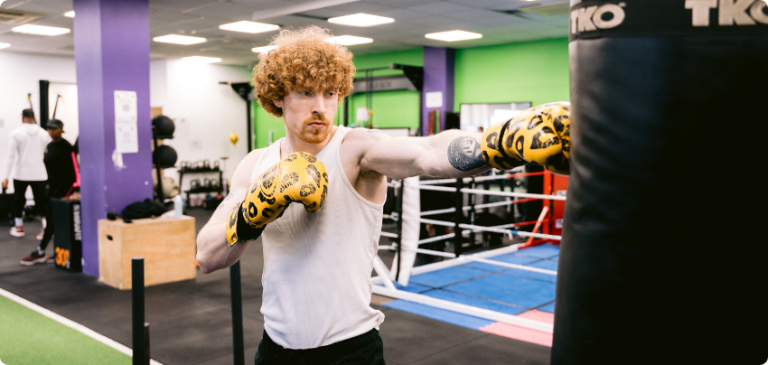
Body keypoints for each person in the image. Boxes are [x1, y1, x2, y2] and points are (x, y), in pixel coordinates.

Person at [196, 26, 568, 365]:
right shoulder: (255, 165)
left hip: (350, 351)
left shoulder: (356, 149)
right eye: (306, 92)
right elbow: (208, 255)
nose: (321, 107)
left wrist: (498, 143)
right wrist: (253, 211)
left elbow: (430, 153)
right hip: (275, 351)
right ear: (278, 98)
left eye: (330, 93)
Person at [20, 119, 76, 265]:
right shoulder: (50, 146)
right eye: (49, 129)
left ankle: (40, 251)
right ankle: (58, 251)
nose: (51, 132)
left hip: (64, 188)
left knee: (52, 221)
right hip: (51, 187)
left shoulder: (66, 147)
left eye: (54, 129)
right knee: (53, 221)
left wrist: (73, 190)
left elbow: (74, 172)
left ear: (61, 129)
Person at [2, 109, 50, 238]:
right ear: (34, 117)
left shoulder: (16, 133)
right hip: (40, 173)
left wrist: (5, 176)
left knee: (18, 200)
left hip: (21, 174)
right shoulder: (44, 134)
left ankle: (19, 228)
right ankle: (46, 229)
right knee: (42, 202)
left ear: (22, 117)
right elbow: (48, 153)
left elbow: (10, 156)